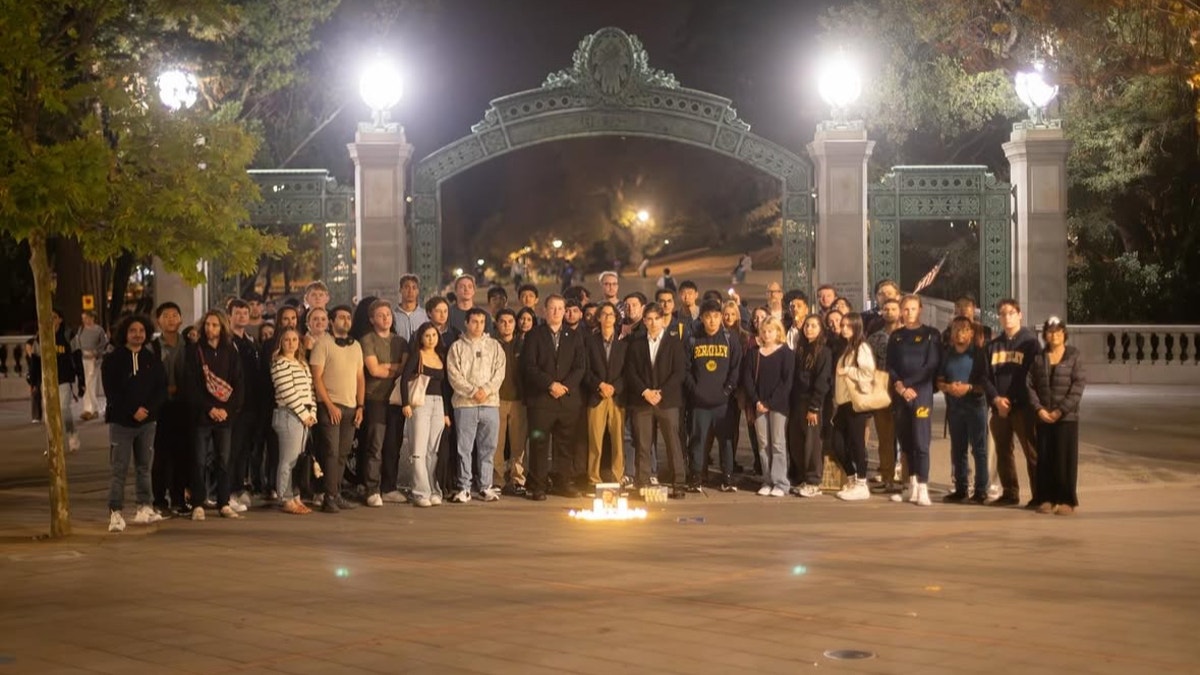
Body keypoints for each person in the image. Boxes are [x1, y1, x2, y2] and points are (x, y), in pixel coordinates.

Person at [103, 315, 167, 532]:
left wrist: (147, 410)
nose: (137, 334)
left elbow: (160, 389)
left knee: (144, 467)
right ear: (125, 333)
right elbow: (112, 392)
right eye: (133, 330)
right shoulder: (113, 360)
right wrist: (132, 410)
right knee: (119, 469)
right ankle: (115, 512)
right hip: (121, 423)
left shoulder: (152, 359)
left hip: (147, 423)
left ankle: (145, 506)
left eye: (141, 330)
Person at [521, 295, 587, 500]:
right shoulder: (534, 335)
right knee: (539, 443)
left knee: (565, 444)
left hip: (567, 401)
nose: (557, 312)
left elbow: (580, 367)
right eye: (553, 308)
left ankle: (563, 482)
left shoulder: (574, 336)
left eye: (560, 308)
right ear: (544, 311)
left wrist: (564, 387)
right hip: (541, 400)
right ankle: (538, 485)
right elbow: (529, 366)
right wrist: (550, 384)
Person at [183, 309, 244, 520]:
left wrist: (227, 410)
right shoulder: (195, 350)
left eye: (215, 325)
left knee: (223, 460)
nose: (210, 328)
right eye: (208, 324)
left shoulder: (230, 351)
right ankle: (198, 503)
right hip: (201, 416)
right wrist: (209, 408)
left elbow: (238, 383)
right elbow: (190, 385)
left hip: (225, 417)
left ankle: (223, 502)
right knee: (199, 460)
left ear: (222, 327)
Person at [626, 302, 688, 499]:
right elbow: (630, 371)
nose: (653, 323)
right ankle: (642, 482)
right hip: (642, 400)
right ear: (644, 321)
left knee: (673, 443)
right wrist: (645, 391)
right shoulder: (636, 343)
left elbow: (679, 372)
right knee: (643, 444)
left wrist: (661, 392)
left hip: (667, 401)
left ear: (663, 321)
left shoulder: (674, 342)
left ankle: (678, 483)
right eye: (649, 319)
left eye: (656, 319)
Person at [984, 299, 1041, 507]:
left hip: (1022, 407)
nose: (1006, 317)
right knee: (1003, 451)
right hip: (999, 408)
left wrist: (1010, 400)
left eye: (1011, 313)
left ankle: (1039, 495)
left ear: (1019, 315)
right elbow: (985, 377)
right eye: (1002, 314)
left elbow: (1028, 375)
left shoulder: (1030, 343)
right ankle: (1010, 493)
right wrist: (996, 399)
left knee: (1031, 452)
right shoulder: (993, 345)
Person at [1028, 317, 1086, 516]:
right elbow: (1029, 384)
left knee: (1065, 459)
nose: (1054, 335)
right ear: (1045, 335)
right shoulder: (1039, 357)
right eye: (1051, 332)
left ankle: (1066, 500)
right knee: (1045, 458)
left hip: (1066, 417)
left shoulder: (1073, 356)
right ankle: (1046, 498)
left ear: (1064, 334)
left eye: (1058, 331)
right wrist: (1039, 409)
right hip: (1044, 416)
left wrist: (1061, 410)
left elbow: (1078, 387)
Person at [309, 305, 365, 513]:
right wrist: (329, 405)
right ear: (331, 321)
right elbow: (317, 378)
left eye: (348, 317)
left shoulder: (356, 346)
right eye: (341, 317)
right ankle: (328, 496)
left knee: (343, 453)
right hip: (329, 406)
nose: (346, 320)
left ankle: (336, 493)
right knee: (331, 452)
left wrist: (360, 406)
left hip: (351, 406)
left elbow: (360, 378)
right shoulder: (322, 344)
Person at [447, 307, 506, 503]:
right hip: (465, 404)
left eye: (481, 322)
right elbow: (454, 375)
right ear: (466, 322)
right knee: (464, 447)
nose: (478, 326)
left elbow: (499, 373)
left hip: (490, 403)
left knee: (488, 447)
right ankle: (464, 487)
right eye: (474, 321)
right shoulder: (457, 347)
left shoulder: (494, 346)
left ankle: (485, 486)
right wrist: (473, 391)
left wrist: (486, 390)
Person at [887, 296, 942, 507]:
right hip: (901, 395)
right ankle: (910, 486)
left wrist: (909, 385)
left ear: (920, 309)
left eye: (913, 309)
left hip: (921, 393)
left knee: (921, 442)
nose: (909, 313)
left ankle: (923, 487)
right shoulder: (896, 336)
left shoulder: (931, 334)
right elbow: (890, 365)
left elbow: (931, 365)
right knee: (906, 441)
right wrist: (900, 387)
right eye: (905, 309)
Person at [685, 300, 741, 491]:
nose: (712, 321)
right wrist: (695, 390)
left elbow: (736, 367)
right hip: (699, 403)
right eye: (708, 317)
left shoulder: (730, 338)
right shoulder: (693, 339)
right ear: (701, 318)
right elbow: (686, 369)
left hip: (723, 403)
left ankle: (727, 478)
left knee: (726, 442)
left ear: (721, 317)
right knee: (697, 441)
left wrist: (727, 390)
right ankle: (695, 477)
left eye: (716, 316)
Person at [400, 323, 453, 507]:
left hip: (438, 404)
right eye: (427, 336)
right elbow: (404, 379)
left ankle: (434, 490)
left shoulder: (440, 356)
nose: (431, 339)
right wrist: (405, 403)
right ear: (421, 338)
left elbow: (444, 387)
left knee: (433, 451)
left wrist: (446, 413)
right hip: (420, 403)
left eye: (434, 335)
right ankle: (420, 492)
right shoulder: (417, 355)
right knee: (418, 450)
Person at [937, 316, 989, 503]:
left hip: (975, 406)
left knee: (979, 449)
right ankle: (961, 488)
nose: (960, 333)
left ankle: (981, 490)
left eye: (964, 329)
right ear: (951, 333)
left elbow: (985, 381)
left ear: (971, 333)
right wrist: (948, 387)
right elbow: (939, 381)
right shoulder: (947, 354)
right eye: (956, 329)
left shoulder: (979, 354)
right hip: (955, 408)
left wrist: (968, 387)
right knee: (958, 449)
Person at [360, 298, 408, 505]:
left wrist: (386, 366)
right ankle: (372, 489)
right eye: (380, 315)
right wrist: (394, 367)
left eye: (388, 314)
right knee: (375, 445)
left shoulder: (401, 341)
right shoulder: (367, 340)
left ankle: (389, 487)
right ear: (372, 319)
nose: (385, 318)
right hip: (375, 399)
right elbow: (374, 370)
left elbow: (404, 369)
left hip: (396, 399)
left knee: (393, 445)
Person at [742, 316, 793, 497]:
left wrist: (770, 403)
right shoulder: (754, 353)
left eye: (770, 331)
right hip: (758, 405)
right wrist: (757, 401)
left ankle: (781, 482)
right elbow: (748, 379)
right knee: (763, 443)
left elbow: (786, 382)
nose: (767, 334)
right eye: (763, 331)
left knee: (778, 443)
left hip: (778, 405)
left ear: (778, 332)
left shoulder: (786, 353)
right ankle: (767, 480)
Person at [269, 327, 316, 515]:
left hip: (304, 416)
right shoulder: (280, 364)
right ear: (281, 343)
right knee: (288, 460)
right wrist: (304, 415)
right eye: (287, 340)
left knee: (298, 460)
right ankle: (286, 497)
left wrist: (312, 413)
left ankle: (296, 496)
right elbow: (288, 392)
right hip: (289, 415)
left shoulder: (302, 363)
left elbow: (310, 390)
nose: (291, 343)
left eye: (294, 340)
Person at [150, 302, 190, 516]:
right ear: (159, 321)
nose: (171, 319)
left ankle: (178, 498)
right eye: (166, 316)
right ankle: (159, 499)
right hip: (161, 407)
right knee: (161, 455)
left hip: (184, 406)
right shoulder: (152, 347)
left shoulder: (189, 345)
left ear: (181, 319)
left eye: (175, 315)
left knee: (182, 454)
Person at [583, 302, 628, 488]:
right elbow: (585, 369)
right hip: (597, 396)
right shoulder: (589, 342)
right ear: (599, 318)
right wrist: (599, 385)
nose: (608, 318)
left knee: (618, 440)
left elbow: (628, 372)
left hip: (617, 398)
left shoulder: (624, 344)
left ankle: (618, 477)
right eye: (604, 314)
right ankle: (593, 478)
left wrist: (614, 387)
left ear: (616, 318)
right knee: (595, 440)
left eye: (611, 314)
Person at [832, 313, 875, 501]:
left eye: (848, 326)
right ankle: (851, 478)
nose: (844, 329)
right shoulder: (847, 347)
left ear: (857, 327)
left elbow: (868, 373)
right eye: (842, 325)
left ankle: (861, 482)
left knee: (857, 443)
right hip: (844, 403)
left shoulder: (861, 347)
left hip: (856, 402)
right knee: (837, 443)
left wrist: (848, 370)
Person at [789, 315, 831, 498]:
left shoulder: (824, 352)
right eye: (807, 325)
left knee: (812, 444)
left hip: (812, 402)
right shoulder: (800, 349)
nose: (809, 329)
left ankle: (814, 481)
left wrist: (814, 407)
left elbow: (822, 381)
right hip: (797, 401)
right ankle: (802, 477)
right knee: (796, 441)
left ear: (820, 329)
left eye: (814, 326)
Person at [227, 299, 262, 512]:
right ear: (229, 316)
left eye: (245, 313)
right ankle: (229, 491)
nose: (242, 316)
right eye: (237, 313)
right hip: (234, 406)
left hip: (252, 404)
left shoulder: (251, 341)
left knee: (245, 450)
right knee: (232, 449)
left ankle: (239, 487)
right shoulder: (227, 341)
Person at [865, 298, 902, 491]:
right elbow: (868, 363)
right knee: (885, 437)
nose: (889, 312)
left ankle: (908, 479)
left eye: (893, 309)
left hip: (905, 388)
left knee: (906, 436)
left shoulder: (908, 334)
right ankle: (887, 477)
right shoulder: (875, 338)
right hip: (882, 387)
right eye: (886, 309)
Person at [493, 309, 528, 496]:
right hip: (496, 399)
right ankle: (497, 480)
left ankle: (517, 479)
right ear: (497, 324)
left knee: (518, 444)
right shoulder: (492, 345)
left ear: (515, 324)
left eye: (510, 321)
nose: (506, 325)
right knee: (496, 444)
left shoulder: (523, 345)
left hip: (519, 400)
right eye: (503, 321)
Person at [74, 310, 109, 421]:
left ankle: (91, 409)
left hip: (94, 360)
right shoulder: (81, 329)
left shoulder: (99, 330)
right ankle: (90, 409)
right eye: (83, 318)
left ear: (92, 318)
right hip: (84, 358)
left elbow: (103, 343)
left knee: (90, 383)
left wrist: (96, 352)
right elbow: (78, 342)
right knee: (87, 383)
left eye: (86, 318)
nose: (84, 320)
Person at [395, 275, 429, 343]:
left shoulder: (425, 315)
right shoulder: (393, 315)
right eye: (407, 287)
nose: (410, 291)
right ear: (400, 290)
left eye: (414, 288)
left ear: (418, 291)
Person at [24, 338, 41, 424]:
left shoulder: (36, 358)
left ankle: (37, 416)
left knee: (36, 394)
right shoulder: (28, 358)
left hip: (38, 378)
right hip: (34, 379)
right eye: (27, 349)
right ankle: (36, 416)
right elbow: (31, 371)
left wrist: (34, 385)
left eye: (29, 349)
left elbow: (36, 372)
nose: (28, 351)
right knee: (35, 396)